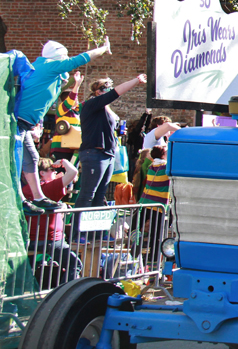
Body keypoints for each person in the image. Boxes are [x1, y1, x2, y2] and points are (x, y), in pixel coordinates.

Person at [15, 38, 111, 214]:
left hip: (25, 124)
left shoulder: (45, 70)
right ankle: (20, 199)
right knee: (17, 160)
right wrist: (103, 49)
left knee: (32, 159)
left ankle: (38, 198)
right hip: (18, 124)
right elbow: (81, 59)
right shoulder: (50, 65)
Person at [72, 74, 147, 241]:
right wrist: (136, 80)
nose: (107, 91)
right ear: (98, 92)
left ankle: (97, 233)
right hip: (94, 153)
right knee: (87, 194)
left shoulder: (105, 110)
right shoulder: (92, 104)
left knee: (100, 195)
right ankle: (77, 233)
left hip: (107, 154)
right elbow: (116, 93)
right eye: (104, 89)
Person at [25, 158, 82, 284]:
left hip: (29, 240)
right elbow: (72, 172)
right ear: (41, 173)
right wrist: (63, 161)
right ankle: (64, 297)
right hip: (52, 240)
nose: (55, 172)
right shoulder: (50, 187)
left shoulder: (24, 190)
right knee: (75, 264)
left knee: (29, 269)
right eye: (52, 169)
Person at [138, 145, 170, 266]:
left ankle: (135, 252)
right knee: (156, 234)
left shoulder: (151, 167)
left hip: (146, 202)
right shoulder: (166, 167)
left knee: (139, 230)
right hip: (159, 205)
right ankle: (154, 261)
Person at [49, 70, 83, 162]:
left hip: (74, 147)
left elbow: (88, 104)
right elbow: (71, 100)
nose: (77, 100)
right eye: (76, 98)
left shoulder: (76, 111)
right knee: (61, 173)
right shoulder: (62, 110)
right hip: (61, 148)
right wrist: (77, 85)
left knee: (73, 173)